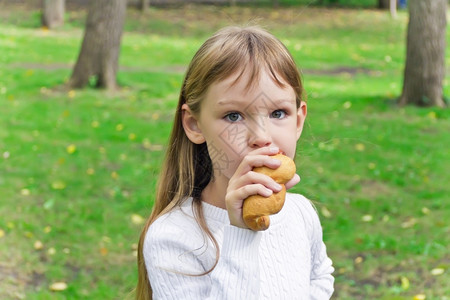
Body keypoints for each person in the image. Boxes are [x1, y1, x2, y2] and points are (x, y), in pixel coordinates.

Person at [136, 26, 334, 300]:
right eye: (233, 116)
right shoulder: (172, 237)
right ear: (194, 125)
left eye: (278, 113)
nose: (261, 138)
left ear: (298, 120)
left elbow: (320, 276)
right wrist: (240, 233)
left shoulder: (300, 213)